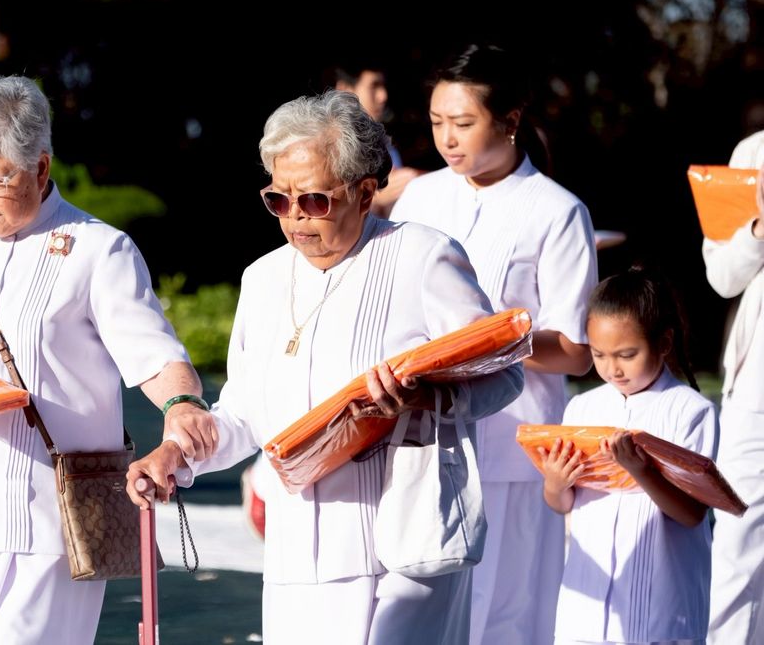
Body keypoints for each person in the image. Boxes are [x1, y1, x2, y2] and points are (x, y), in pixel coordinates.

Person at [127, 90, 524, 644]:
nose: (294, 219)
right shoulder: (262, 280)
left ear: (365, 192)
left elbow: (505, 374)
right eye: (278, 200)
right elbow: (245, 414)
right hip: (297, 554)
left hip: (405, 544)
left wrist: (425, 399)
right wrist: (178, 453)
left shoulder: (423, 256)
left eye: (313, 200)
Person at [0, 76, 218, 644]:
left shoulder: (99, 249)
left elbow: (155, 357)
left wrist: (181, 405)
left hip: (54, 516)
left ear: (41, 167)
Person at [389, 43, 598, 645]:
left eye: (462, 123)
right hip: (421, 433)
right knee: (422, 605)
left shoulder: (558, 212)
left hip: (513, 441)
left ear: (509, 120)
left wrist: (493, 337)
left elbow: (576, 349)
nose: (447, 139)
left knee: (505, 611)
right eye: (436, 124)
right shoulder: (423, 196)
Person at [538, 267, 716, 645]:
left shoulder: (690, 411)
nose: (612, 368)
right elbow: (561, 504)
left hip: (660, 606)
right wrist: (556, 483)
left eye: (627, 354)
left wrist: (641, 471)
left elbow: (693, 513)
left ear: (664, 342)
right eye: (599, 354)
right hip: (586, 606)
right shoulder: (581, 408)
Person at [704, 148, 764, 644]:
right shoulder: (752, 152)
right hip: (755, 391)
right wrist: (759, 230)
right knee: (737, 548)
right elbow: (722, 277)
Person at [331, 61, 423, 217]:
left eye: (382, 86)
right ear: (345, 90)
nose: (383, 96)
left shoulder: (386, 146)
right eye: (374, 86)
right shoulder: (326, 148)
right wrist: (373, 197)